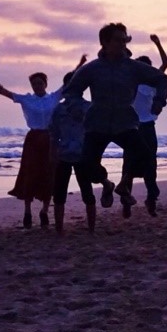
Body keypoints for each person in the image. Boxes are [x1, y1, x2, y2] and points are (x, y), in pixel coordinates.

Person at [63, 23, 167, 219]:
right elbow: (71, 91)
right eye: (118, 40)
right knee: (87, 165)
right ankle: (106, 184)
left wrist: (159, 101)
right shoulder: (92, 69)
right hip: (98, 123)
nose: (123, 43)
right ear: (105, 42)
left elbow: (163, 79)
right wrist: (80, 108)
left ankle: (124, 183)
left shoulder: (133, 67)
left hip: (125, 122)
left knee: (146, 157)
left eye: (125, 39)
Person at [0, 57, 85, 229]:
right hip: (33, 139)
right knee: (29, 174)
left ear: (45, 83)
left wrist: (79, 65)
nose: (37, 86)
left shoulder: (53, 98)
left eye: (39, 83)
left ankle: (44, 211)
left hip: (51, 139)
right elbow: (6, 93)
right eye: (34, 83)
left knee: (49, 174)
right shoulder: (27, 99)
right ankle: (27, 211)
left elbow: (69, 82)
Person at [48, 70, 112, 233]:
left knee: (87, 193)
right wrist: (52, 153)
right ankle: (59, 230)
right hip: (64, 155)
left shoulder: (89, 107)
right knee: (59, 194)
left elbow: (98, 131)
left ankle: (91, 228)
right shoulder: (59, 110)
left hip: (83, 155)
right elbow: (54, 134)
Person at [131, 35, 167, 216]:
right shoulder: (132, 82)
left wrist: (158, 44)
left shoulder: (155, 82)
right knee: (129, 164)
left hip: (148, 127)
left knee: (150, 165)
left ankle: (151, 198)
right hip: (132, 127)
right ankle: (126, 200)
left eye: (147, 67)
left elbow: (165, 64)